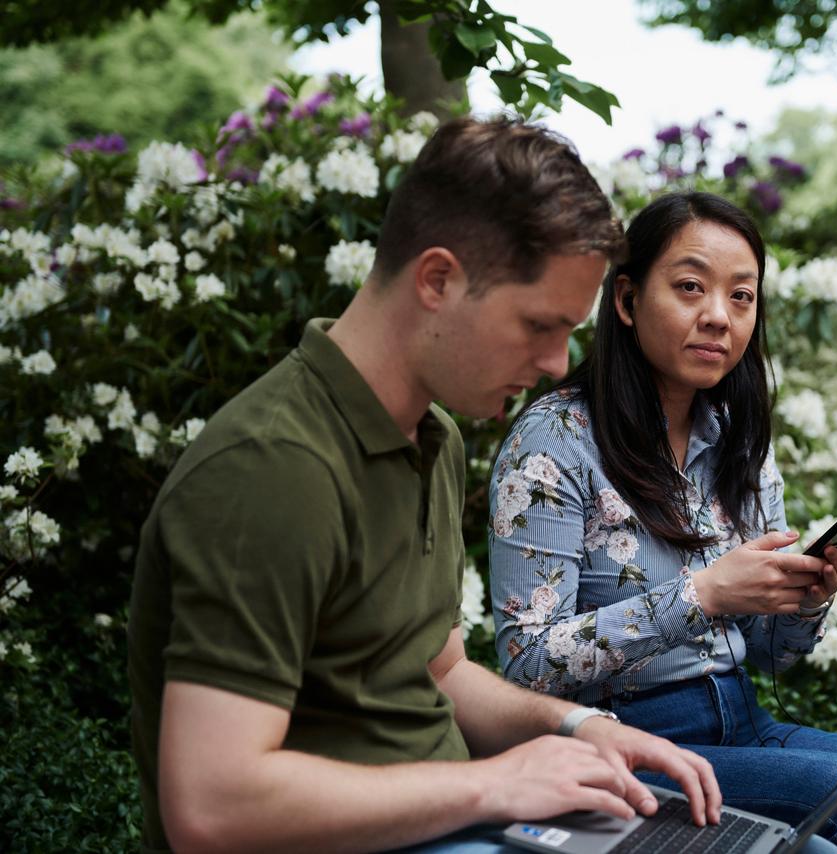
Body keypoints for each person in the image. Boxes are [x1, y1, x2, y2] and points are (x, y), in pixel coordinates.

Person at [127, 118, 732, 854]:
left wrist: (584, 729)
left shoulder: (432, 440)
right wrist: (494, 785)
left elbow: (440, 667)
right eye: (539, 325)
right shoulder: (272, 467)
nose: (553, 363)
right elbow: (212, 808)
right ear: (438, 279)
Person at [487, 191, 837, 853]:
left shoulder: (736, 438)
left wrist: (806, 599)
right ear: (628, 301)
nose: (718, 316)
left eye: (741, 296)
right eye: (690, 288)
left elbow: (774, 654)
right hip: (624, 742)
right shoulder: (554, 442)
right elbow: (525, 665)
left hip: (744, 723)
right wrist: (704, 595)